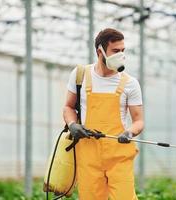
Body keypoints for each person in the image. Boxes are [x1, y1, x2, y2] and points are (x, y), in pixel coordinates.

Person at [63, 28, 144, 200]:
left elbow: (139, 121)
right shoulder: (80, 75)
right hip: (88, 156)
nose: (120, 55)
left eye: (123, 51)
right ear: (100, 51)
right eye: (115, 51)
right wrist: (72, 125)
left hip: (118, 155)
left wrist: (130, 132)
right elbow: (68, 107)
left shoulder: (130, 83)